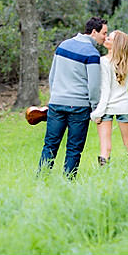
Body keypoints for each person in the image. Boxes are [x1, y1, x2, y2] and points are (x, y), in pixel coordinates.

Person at [38, 17, 107, 178]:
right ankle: (68, 181)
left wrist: (55, 97)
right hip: (79, 107)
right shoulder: (92, 53)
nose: (105, 37)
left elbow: (52, 77)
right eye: (104, 33)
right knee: (74, 148)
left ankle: (41, 179)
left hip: (56, 104)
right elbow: (94, 86)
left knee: (50, 145)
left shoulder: (63, 45)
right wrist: (95, 107)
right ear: (94, 32)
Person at [91, 30, 128, 168]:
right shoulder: (127, 62)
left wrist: (97, 113)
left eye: (110, 38)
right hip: (123, 106)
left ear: (116, 45)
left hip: (107, 107)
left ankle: (104, 176)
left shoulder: (103, 61)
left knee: (105, 148)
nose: (106, 39)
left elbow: (105, 90)